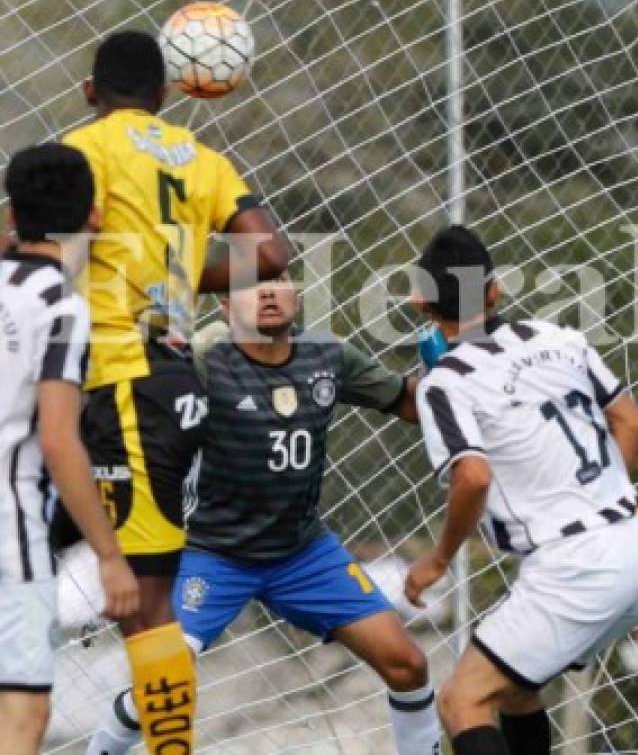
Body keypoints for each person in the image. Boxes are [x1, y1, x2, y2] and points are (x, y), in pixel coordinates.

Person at [88, 274, 439, 755]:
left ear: (299, 294)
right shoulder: (204, 360)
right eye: (251, 285)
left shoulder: (328, 356)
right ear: (227, 306)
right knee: (165, 677)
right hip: (212, 553)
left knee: (408, 664)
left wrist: (456, 379)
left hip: (303, 554)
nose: (269, 292)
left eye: (278, 280)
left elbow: (407, 401)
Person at [63, 29, 288, 755]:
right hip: (169, 382)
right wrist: (187, 273)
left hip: (120, 385)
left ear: (91, 92)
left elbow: (41, 237)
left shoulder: (86, 147)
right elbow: (271, 253)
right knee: (136, 596)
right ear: (165, 95)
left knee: (148, 610)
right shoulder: (207, 161)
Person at [404, 225, 638, 755]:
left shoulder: (445, 381)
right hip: (636, 548)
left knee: (462, 703)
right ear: (495, 290)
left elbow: (472, 476)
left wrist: (439, 558)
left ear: (420, 303)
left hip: (576, 566)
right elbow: (632, 423)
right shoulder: (562, 339)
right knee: (516, 691)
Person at [0, 144, 139, 755]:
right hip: (11, 531)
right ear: (95, 216)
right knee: (23, 714)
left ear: (14, 213)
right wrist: (108, 555)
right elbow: (59, 439)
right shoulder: (60, 307)